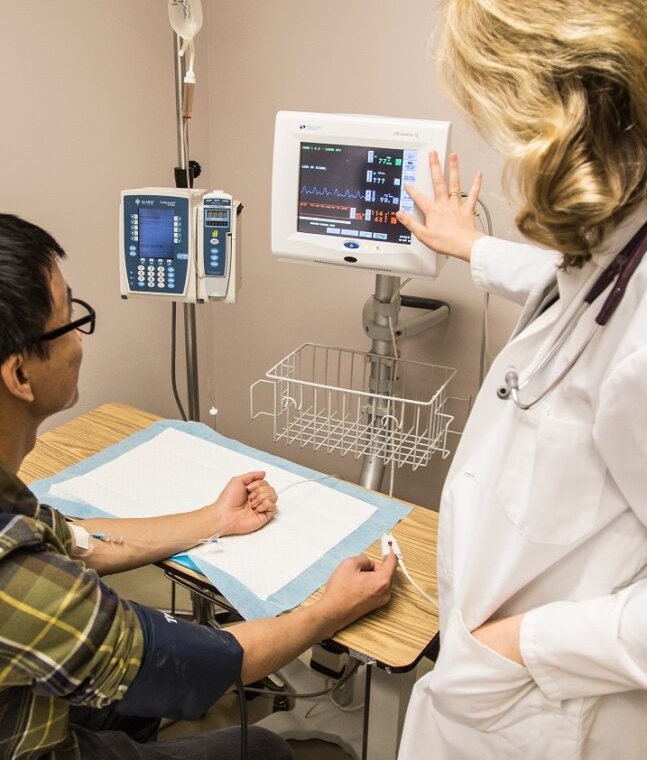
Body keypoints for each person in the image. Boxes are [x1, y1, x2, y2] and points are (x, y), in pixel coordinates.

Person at [395, 0, 647, 758]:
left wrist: (528, 644)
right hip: (515, 686)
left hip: (549, 717)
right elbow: (607, 285)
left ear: (576, 103)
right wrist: (476, 249)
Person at [0, 213, 398, 759]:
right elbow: (187, 665)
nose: (79, 340)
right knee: (260, 750)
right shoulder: (16, 579)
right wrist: (331, 609)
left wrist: (216, 521)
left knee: (127, 710)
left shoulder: (11, 507)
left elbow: (73, 541)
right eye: (71, 319)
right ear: (20, 375)